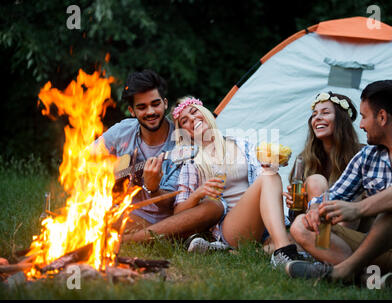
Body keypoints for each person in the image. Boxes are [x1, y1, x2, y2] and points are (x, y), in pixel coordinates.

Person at [286, 80, 392, 288]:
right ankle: (373, 278)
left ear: (382, 117)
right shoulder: (367, 156)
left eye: (363, 117)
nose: (361, 124)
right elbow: (335, 193)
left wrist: (357, 209)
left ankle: (344, 271)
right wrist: (316, 209)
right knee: (302, 225)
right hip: (381, 249)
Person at [171, 96, 303, 268]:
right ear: (185, 132)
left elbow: (261, 181)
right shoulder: (192, 162)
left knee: (271, 175)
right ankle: (283, 250)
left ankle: (264, 248)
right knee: (269, 176)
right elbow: (178, 213)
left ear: (205, 112)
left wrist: (271, 164)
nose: (192, 119)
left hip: (261, 224)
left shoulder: (241, 144)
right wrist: (199, 193)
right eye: (184, 121)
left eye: (194, 112)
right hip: (232, 227)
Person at [95, 69, 222, 242]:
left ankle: (131, 240)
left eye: (155, 104)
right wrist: (103, 175)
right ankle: (160, 239)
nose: (150, 112)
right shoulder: (122, 131)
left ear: (165, 103)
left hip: (171, 221)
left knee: (214, 207)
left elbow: (172, 206)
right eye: (142, 107)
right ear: (132, 111)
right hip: (128, 215)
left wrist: (153, 189)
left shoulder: (183, 144)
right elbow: (82, 160)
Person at [285, 92, 364, 263]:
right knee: (315, 180)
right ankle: (325, 251)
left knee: (355, 194)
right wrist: (294, 204)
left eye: (325, 113)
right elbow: (296, 215)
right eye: (314, 115)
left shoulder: (361, 155)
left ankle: (327, 251)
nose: (317, 118)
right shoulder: (304, 159)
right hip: (312, 225)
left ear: (342, 119)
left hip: (353, 228)